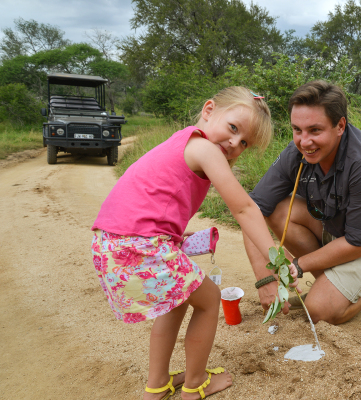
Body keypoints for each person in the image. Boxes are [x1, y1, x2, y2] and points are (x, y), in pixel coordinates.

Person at [91, 87, 298, 400]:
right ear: (209, 109)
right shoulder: (204, 148)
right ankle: (195, 384)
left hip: (115, 243)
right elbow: (243, 208)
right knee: (209, 299)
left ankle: (157, 386)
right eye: (233, 128)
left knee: (176, 302)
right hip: (139, 245)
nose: (234, 144)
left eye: (244, 143)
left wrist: (173, 236)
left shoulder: (185, 140)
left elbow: (153, 202)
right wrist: (277, 256)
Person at [244, 80, 361, 325]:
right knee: (278, 210)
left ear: (340, 125)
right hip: (342, 227)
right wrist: (265, 279)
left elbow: (359, 244)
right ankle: (334, 285)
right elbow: (251, 211)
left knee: (318, 311)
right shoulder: (298, 151)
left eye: (315, 130)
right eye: (297, 130)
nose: (304, 142)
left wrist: (296, 265)